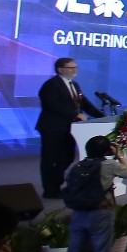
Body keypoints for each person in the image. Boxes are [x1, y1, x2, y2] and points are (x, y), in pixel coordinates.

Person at [58, 135, 127, 252]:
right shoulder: (109, 165)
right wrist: (119, 155)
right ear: (107, 150)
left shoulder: (75, 166)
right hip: (101, 213)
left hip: (78, 212)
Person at [35, 56, 103, 198]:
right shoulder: (51, 85)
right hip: (52, 128)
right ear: (60, 70)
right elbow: (52, 105)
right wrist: (75, 114)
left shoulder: (74, 85)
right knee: (51, 159)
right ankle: (50, 190)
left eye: (75, 67)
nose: (74, 70)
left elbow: (84, 103)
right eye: (70, 68)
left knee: (66, 158)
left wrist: (101, 116)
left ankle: (56, 184)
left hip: (69, 128)